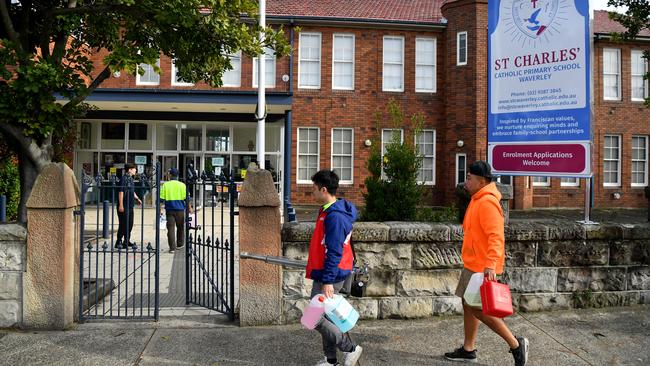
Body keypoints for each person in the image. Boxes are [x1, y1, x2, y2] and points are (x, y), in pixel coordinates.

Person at [444, 161, 529, 365]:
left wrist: (490, 264)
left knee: (479, 309)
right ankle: (468, 349)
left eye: (469, 178)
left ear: (481, 181)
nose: (466, 182)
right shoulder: (477, 199)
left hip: (483, 267)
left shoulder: (488, 202)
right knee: (468, 304)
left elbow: (496, 237)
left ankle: (516, 344)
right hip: (473, 264)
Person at [306, 170, 363, 366]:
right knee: (327, 317)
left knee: (313, 317)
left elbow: (334, 251)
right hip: (325, 272)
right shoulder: (327, 210)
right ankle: (331, 360)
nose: (311, 192)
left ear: (323, 189)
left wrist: (328, 281)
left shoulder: (334, 216)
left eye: (313, 188)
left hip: (331, 274)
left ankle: (351, 348)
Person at [160, 167, 191, 253]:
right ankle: (180, 244)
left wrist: (159, 209)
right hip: (180, 209)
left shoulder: (166, 185)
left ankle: (172, 248)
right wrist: (190, 208)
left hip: (170, 210)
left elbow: (161, 199)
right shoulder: (182, 185)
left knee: (170, 228)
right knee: (180, 227)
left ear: (170, 175)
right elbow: (186, 198)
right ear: (177, 175)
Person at [116, 163, 141, 249]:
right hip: (124, 205)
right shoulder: (124, 179)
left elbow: (131, 191)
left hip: (130, 205)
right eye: (134, 169)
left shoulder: (130, 179)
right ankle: (119, 241)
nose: (136, 170)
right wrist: (121, 205)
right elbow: (121, 192)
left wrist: (137, 198)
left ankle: (126, 241)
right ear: (129, 169)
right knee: (123, 224)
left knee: (130, 224)